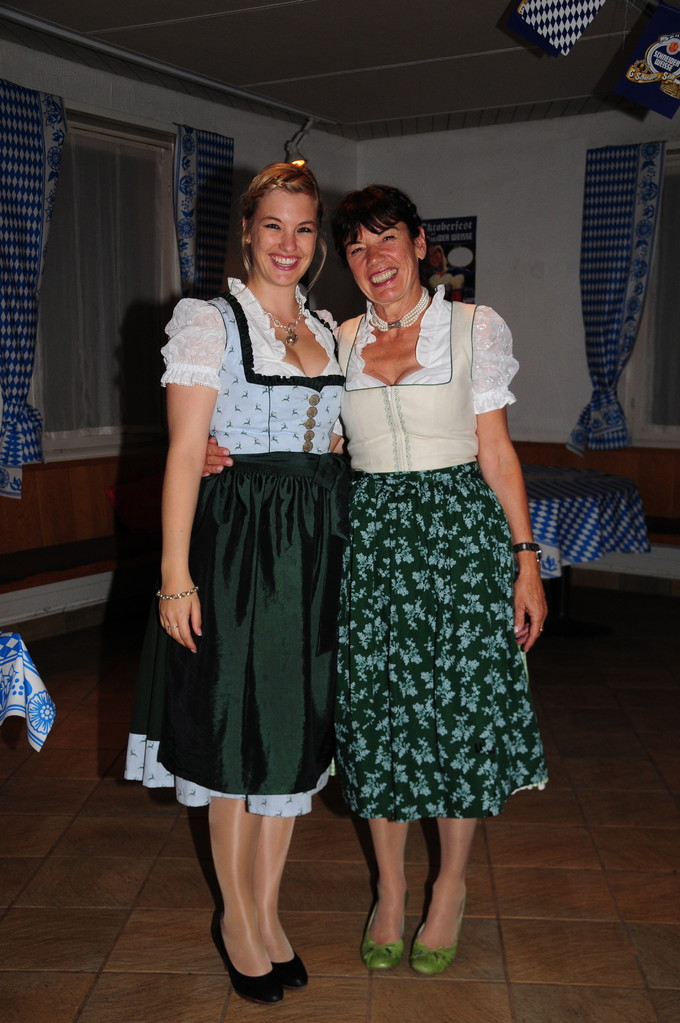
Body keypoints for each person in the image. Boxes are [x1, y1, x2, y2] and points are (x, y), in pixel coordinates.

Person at [125, 163, 348, 1004]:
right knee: (236, 729)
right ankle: (237, 918)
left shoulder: (329, 326)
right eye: (273, 226)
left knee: (294, 731)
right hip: (241, 549)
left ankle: (270, 908)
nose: (289, 244)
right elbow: (188, 452)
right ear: (247, 232)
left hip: (317, 548)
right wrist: (174, 576)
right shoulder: (208, 321)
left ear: (317, 238)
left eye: (303, 228)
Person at [330, 184, 548, 975]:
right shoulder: (338, 339)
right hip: (373, 549)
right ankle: (390, 890)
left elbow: (496, 450)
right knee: (378, 719)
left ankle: (449, 885)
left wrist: (526, 559)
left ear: (420, 244)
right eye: (357, 247)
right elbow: (315, 440)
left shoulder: (473, 326)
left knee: (458, 714)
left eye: (386, 239)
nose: (374, 259)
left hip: (460, 545)